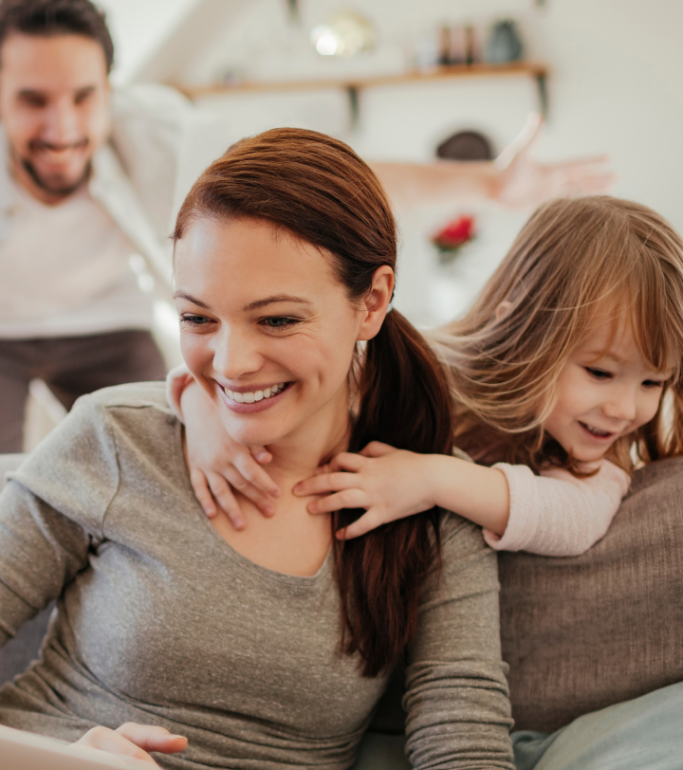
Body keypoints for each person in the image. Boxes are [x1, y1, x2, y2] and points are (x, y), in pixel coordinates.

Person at [0, 127, 516, 770]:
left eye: (276, 319)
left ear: (372, 301)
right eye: (198, 319)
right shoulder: (121, 439)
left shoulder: (426, 524)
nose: (230, 364)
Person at [0, 0, 615, 454]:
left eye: (83, 97)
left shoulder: (157, 134)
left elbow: (314, 182)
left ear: (110, 91)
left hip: (109, 320)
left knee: (163, 455)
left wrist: (486, 185)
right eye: (33, 100)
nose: (62, 127)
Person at [172, 196, 683, 558]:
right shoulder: (424, 368)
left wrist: (432, 479)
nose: (624, 408)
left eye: (652, 383)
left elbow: (576, 520)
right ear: (519, 328)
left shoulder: (604, 457)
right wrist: (205, 414)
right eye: (600, 372)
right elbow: (237, 371)